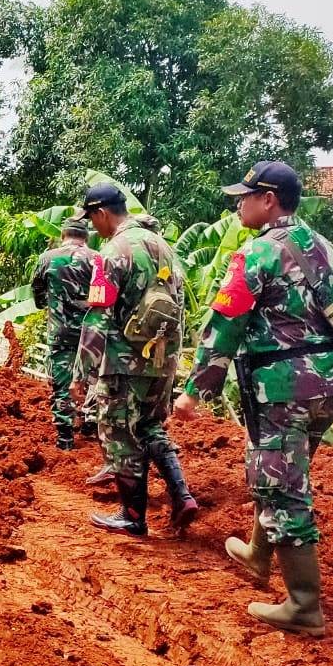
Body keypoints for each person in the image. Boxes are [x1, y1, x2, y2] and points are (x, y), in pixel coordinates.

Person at [173, 161, 333, 637]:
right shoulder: (328, 249)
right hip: (329, 386)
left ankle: (303, 606)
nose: (238, 203)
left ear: (269, 199)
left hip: (281, 389)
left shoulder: (257, 255)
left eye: (245, 196)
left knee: (280, 484)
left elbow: (224, 326)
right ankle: (256, 554)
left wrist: (194, 392)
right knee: (284, 472)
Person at [72, 183, 197, 536]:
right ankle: (181, 493)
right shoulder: (164, 248)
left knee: (118, 434)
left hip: (124, 362)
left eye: (93, 219)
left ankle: (132, 515)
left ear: (101, 213)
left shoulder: (113, 252)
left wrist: (81, 373)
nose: (94, 227)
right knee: (149, 426)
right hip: (163, 359)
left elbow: (97, 315)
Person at [31, 218, 95, 450]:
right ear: (86, 237)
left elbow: (38, 292)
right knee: (95, 377)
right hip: (92, 332)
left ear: (63, 234)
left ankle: (65, 436)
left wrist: (49, 304)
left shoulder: (48, 258)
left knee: (62, 379)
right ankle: (91, 422)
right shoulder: (97, 258)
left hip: (60, 330)